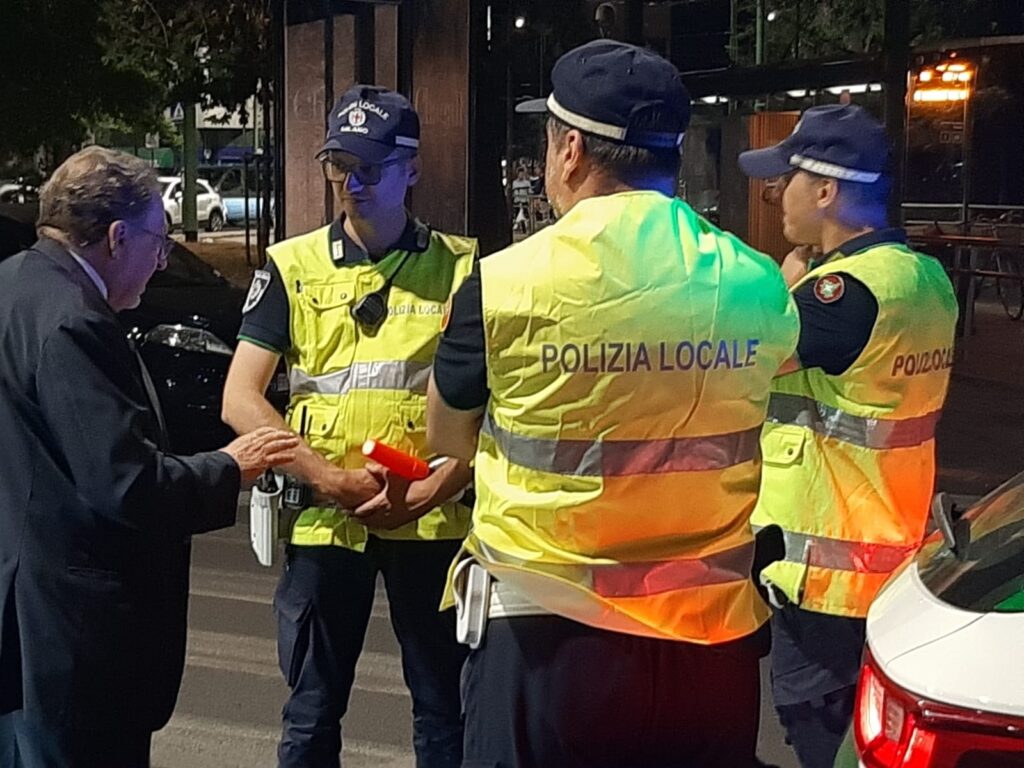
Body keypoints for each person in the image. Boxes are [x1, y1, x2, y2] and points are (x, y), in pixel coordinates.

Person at [426, 40, 800, 768]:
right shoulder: (757, 282)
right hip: (708, 645)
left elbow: (448, 438)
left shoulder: (504, 283)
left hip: (546, 641)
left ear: (569, 150)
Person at [0, 146, 300, 768]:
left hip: (23, 617)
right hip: (69, 634)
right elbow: (126, 485)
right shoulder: (73, 322)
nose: (160, 261)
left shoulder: (13, 285)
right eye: (157, 243)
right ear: (115, 237)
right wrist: (231, 465)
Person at [221, 85, 475, 768]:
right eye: (339, 165)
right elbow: (240, 398)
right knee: (310, 712)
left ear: (412, 170)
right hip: (324, 518)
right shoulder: (291, 265)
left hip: (430, 517)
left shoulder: (464, 268)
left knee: (444, 710)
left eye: (369, 166)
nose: (350, 182)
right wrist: (324, 477)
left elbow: (494, 406)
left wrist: (433, 489)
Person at [739, 104, 959, 768]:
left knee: (816, 730)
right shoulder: (922, 278)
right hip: (888, 549)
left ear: (827, 191)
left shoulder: (842, 295)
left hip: (825, 578)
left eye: (790, 178)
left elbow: (737, 360)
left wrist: (781, 292)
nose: (777, 192)